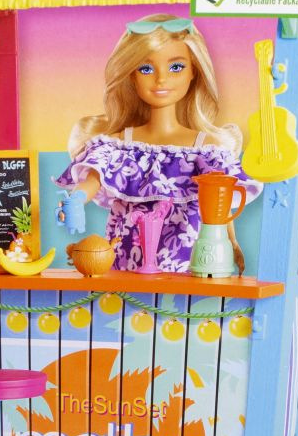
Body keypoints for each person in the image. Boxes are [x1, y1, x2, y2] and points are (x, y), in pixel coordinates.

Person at [55, 15, 261, 274]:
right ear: (131, 76)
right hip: (126, 263)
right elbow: (94, 179)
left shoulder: (205, 150)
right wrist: (75, 200)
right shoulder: (120, 145)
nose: (161, 80)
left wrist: (231, 242)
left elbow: (219, 205)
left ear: (194, 71)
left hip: (188, 263)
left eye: (176, 67)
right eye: (146, 69)